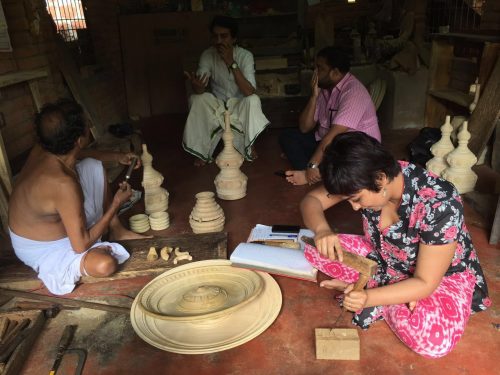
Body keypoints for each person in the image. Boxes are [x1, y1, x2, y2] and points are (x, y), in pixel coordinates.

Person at [300, 132, 490, 358]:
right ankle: (391, 291)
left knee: (433, 341)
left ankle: (379, 291)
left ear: (380, 179)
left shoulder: (440, 203)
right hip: (384, 258)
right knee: (315, 247)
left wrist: (368, 298)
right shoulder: (365, 176)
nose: (353, 207)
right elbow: (311, 201)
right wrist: (322, 230)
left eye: (357, 199)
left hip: (440, 276)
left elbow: (425, 281)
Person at [8, 99, 146, 295]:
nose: (89, 127)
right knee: (105, 264)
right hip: (43, 246)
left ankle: (117, 230)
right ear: (79, 140)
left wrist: (117, 157)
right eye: (86, 126)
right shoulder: (63, 184)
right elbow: (80, 245)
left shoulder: (45, 147)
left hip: (45, 226)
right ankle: (95, 243)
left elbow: (81, 153)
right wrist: (116, 203)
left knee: (92, 165)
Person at [279, 47, 381, 186]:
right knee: (288, 136)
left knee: (344, 160)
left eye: (320, 68)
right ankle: (314, 173)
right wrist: (314, 96)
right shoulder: (325, 89)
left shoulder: (354, 92)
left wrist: (312, 165)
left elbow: (333, 135)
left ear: (335, 72)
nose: (315, 73)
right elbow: (304, 127)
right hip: (329, 144)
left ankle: (311, 173)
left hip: (354, 149)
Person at [182, 15, 269, 166]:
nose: (219, 41)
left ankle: (249, 145)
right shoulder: (207, 55)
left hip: (239, 105)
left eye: (224, 36)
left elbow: (249, 91)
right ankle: (202, 151)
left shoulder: (245, 56)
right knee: (196, 98)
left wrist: (231, 62)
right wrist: (197, 86)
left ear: (234, 38)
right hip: (218, 106)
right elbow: (200, 89)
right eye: (215, 36)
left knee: (253, 100)